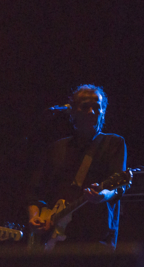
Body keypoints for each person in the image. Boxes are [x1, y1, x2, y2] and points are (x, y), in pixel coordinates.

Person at [27, 84, 127, 251]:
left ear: (103, 112)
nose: (91, 112)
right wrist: (34, 217)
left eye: (97, 107)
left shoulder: (113, 143)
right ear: (72, 111)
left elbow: (118, 188)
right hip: (55, 242)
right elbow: (35, 192)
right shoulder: (57, 148)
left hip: (95, 237)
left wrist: (101, 196)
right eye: (85, 107)